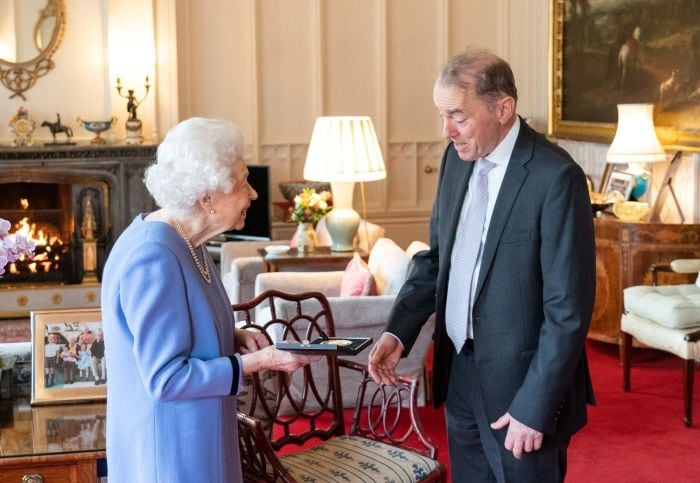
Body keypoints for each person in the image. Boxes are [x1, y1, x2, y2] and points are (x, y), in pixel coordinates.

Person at [367, 47, 596, 482]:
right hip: (459, 371)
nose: (445, 130)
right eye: (442, 115)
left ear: (503, 108)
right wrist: (399, 331)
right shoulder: (458, 159)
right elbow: (437, 259)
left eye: (458, 115)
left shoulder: (555, 177)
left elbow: (568, 310)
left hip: (522, 390)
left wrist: (536, 406)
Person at [101, 117, 318, 483]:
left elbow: (184, 326)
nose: (253, 193)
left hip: (198, 435)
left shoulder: (191, 243)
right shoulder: (153, 255)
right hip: (169, 453)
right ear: (207, 198)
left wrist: (234, 336)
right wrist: (257, 361)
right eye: (242, 183)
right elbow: (166, 379)